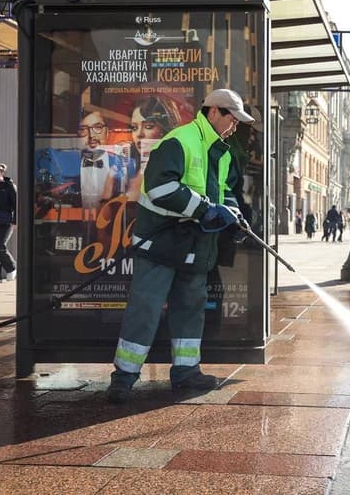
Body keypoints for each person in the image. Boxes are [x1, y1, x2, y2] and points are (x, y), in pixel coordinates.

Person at [106, 88, 253, 404]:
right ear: (214, 112)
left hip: (195, 246)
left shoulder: (221, 151)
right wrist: (206, 211)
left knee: (190, 311)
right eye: (232, 118)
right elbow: (160, 188)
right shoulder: (179, 141)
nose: (234, 126)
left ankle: (187, 373)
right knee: (144, 310)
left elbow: (223, 191)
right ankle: (123, 379)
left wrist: (233, 216)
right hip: (160, 244)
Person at [78, 111, 117, 213]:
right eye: (84, 129)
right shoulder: (68, 166)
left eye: (97, 127)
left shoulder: (123, 165)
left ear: (107, 132)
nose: (91, 135)